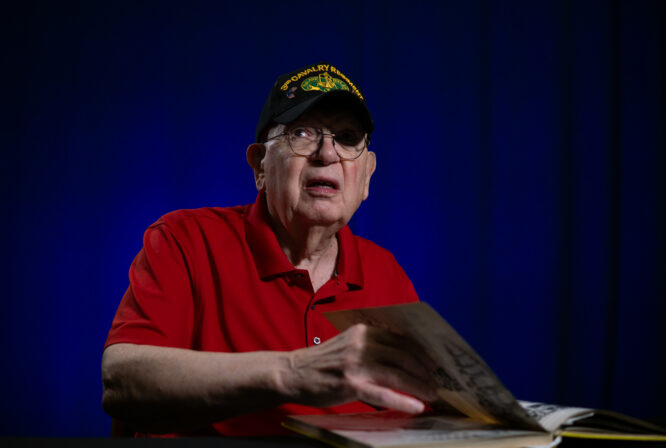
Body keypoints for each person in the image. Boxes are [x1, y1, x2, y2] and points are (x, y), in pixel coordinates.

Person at [101, 62, 437, 437]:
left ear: (367, 177)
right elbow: (122, 379)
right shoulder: (185, 239)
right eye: (303, 133)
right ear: (259, 164)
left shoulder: (384, 270)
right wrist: (294, 372)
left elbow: (418, 408)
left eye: (346, 136)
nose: (327, 154)